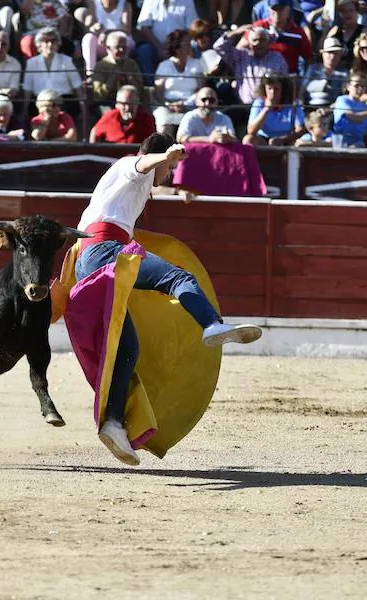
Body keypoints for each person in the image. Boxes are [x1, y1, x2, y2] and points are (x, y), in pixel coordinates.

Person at [74, 132, 263, 465]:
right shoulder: (128, 166)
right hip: (106, 252)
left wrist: (178, 188)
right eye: (169, 169)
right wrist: (168, 155)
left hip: (88, 259)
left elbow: (152, 182)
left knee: (126, 348)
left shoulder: (131, 185)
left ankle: (114, 424)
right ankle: (210, 325)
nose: (169, 175)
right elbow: (143, 163)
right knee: (178, 277)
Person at [213, 24, 288, 107]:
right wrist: (236, 32)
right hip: (244, 107)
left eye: (262, 40)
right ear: (249, 43)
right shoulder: (241, 55)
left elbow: (284, 82)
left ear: (268, 42)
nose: (258, 43)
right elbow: (218, 47)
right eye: (255, 40)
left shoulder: (277, 58)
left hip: (268, 106)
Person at [22, 27, 84, 118]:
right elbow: (27, 89)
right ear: (39, 44)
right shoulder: (31, 63)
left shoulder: (66, 60)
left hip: (63, 102)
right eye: (46, 41)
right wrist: (24, 111)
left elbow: (77, 86)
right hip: (40, 103)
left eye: (53, 41)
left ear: (58, 44)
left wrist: (84, 110)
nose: (50, 44)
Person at [134, 0, 200, 86]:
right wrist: (159, 48)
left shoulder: (187, 1)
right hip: (156, 45)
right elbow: (144, 27)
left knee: (195, 46)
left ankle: (195, 86)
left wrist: (178, 48)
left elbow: (192, 29)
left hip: (181, 45)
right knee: (144, 50)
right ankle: (150, 87)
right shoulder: (149, 1)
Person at [152, 29, 204, 137]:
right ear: (176, 47)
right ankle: (164, 151)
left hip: (191, 104)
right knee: (164, 122)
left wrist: (186, 103)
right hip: (167, 105)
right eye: (186, 43)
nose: (190, 46)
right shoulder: (164, 66)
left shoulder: (196, 64)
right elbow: (158, 93)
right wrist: (169, 105)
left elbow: (201, 89)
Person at [251, 0, 313, 74]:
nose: (277, 13)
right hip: (261, 76)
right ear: (269, 9)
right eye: (274, 9)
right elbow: (241, 47)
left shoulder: (298, 33)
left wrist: (303, 80)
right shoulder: (259, 27)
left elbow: (309, 58)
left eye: (281, 9)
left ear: (289, 9)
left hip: (288, 78)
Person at [244, 75, 305, 146]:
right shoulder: (259, 103)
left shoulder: (293, 103)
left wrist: (282, 139)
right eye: (269, 88)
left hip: (287, 139)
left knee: (300, 142)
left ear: (283, 89)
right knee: (248, 139)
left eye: (276, 89)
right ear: (264, 89)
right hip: (263, 139)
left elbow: (300, 129)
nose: (272, 93)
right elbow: (251, 131)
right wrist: (266, 109)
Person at [77, 0, 133, 75]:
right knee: (88, 38)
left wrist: (107, 33)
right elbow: (88, 27)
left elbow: (126, 29)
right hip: (102, 44)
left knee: (124, 39)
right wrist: (94, 28)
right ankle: (91, 73)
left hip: (121, 43)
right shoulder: (94, 3)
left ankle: (123, 73)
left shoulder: (125, 4)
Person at [91, 30, 145, 108]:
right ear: (108, 48)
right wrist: (113, 78)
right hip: (107, 103)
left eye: (124, 47)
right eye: (118, 47)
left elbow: (140, 90)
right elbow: (98, 95)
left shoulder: (131, 64)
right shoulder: (101, 66)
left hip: (129, 103)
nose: (122, 50)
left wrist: (128, 77)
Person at [89, 85, 155, 143]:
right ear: (117, 104)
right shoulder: (110, 116)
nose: (127, 108)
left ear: (137, 104)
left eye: (132, 103)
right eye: (124, 104)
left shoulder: (145, 119)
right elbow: (95, 131)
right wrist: (93, 152)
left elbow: (152, 143)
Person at [332, 70, 367, 147]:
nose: (360, 89)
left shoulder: (365, 107)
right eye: (357, 85)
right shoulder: (342, 100)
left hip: (358, 143)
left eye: (363, 86)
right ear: (348, 86)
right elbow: (355, 117)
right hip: (342, 142)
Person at [300, 37, 348, 107]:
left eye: (336, 53)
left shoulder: (344, 73)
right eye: (329, 53)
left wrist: (330, 109)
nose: (332, 56)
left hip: (332, 109)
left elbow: (345, 97)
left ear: (340, 55)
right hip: (309, 107)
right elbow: (301, 92)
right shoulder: (313, 69)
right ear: (323, 54)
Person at [323, 0, 367, 71]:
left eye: (351, 10)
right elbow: (321, 51)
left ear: (357, 12)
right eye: (343, 11)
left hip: (356, 70)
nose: (347, 14)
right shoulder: (335, 31)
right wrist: (326, 33)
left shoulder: (364, 31)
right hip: (335, 72)